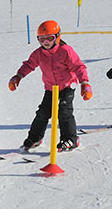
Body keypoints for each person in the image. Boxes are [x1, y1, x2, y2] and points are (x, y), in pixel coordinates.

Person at [7, 20, 91, 152]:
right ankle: (35, 138)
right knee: (43, 113)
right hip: (50, 88)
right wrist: (18, 76)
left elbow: (79, 67)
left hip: (67, 85)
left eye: (49, 38)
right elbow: (29, 65)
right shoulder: (38, 54)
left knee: (64, 111)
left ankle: (71, 139)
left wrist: (84, 83)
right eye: (42, 39)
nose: (46, 42)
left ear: (58, 37)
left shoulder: (66, 51)